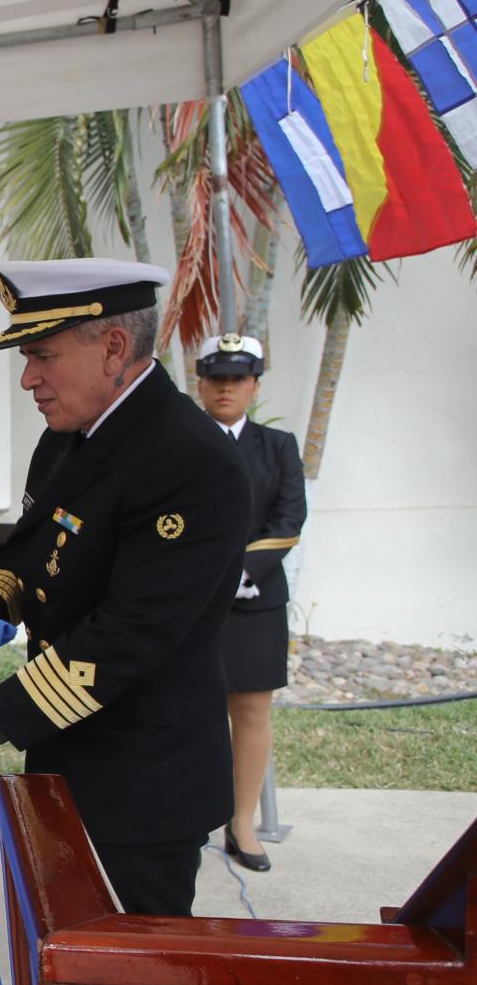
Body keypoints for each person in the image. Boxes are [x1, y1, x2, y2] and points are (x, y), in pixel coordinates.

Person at [0, 258, 249, 922]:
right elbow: (26, 560)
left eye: (43, 355)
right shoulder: (69, 442)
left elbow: (130, 634)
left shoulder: (190, 460)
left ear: (113, 346)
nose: (28, 379)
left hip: (143, 781)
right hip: (62, 754)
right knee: (60, 964)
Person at [195, 334, 305, 873]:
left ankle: (241, 823)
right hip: (189, 600)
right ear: (200, 384)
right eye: (216, 378)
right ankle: (192, 815)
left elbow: (288, 523)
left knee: (252, 710)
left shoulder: (277, 446)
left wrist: (241, 571)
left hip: (254, 598)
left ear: (254, 386)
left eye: (237, 379)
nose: (226, 388)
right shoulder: (181, 442)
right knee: (190, 705)